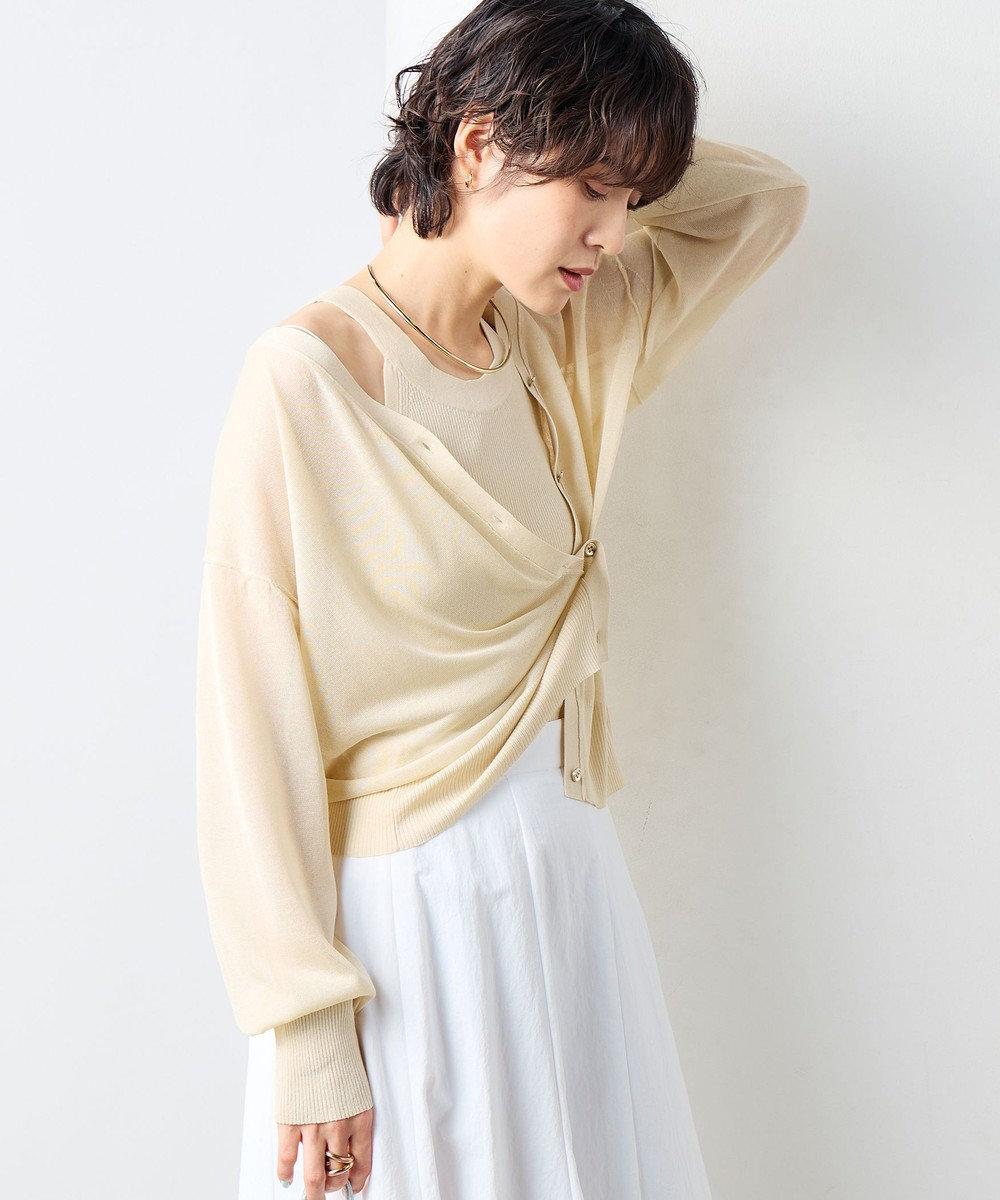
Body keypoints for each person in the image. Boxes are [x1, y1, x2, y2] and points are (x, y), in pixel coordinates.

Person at [194, 2, 809, 1197]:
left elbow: (765, 201)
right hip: (411, 916)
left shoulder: (562, 342)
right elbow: (248, 730)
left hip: (567, 878)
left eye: (631, 199)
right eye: (592, 191)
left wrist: (606, 139)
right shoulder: (305, 384)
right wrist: (307, 1027)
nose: (614, 236)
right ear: (478, 147)